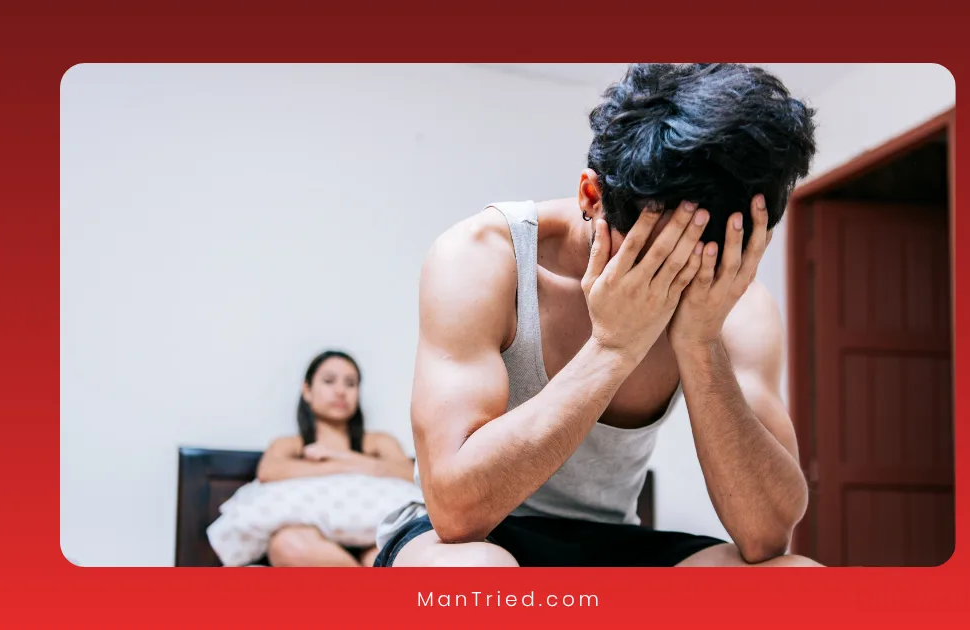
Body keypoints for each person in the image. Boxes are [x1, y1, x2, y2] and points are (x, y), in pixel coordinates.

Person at [374, 63, 822, 567]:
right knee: (477, 572)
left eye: (701, 261)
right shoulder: (482, 256)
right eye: (655, 253)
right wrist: (612, 347)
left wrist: (701, 343)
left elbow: (766, 538)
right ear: (593, 196)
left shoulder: (732, 300)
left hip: (608, 540)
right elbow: (456, 510)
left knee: (796, 578)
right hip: (462, 536)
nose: (677, 275)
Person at [256, 350, 414, 567]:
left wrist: (339, 456)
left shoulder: (379, 442)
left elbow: (408, 473)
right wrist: (345, 465)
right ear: (307, 390)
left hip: (373, 535)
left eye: (350, 384)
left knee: (383, 557)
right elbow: (268, 472)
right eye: (329, 381)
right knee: (287, 545)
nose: (340, 391)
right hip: (313, 541)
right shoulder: (290, 444)